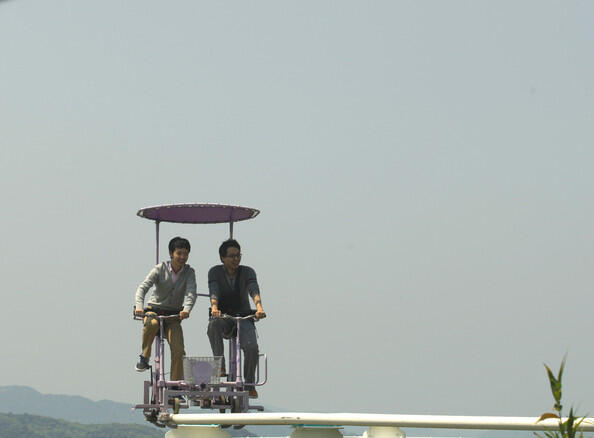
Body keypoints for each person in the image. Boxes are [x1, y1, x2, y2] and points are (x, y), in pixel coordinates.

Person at [207, 239, 266, 398]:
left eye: (238, 255)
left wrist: (259, 307)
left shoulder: (247, 272)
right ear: (222, 258)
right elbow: (214, 290)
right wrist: (214, 307)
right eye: (231, 256)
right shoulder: (215, 272)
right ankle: (220, 365)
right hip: (224, 316)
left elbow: (253, 289)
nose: (236, 259)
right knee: (213, 326)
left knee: (252, 347)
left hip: (244, 316)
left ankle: (249, 383)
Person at [134, 236, 197, 381]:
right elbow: (143, 288)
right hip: (154, 310)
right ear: (171, 253)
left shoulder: (189, 272)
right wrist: (139, 306)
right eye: (179, 253)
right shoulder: (160, 268)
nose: (182, 257)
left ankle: (175, 385)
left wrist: (186, 309)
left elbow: (191, 292)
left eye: (185, 254)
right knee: (152, 324)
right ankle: (145, 356)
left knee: (178, 349)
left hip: (173, 316)